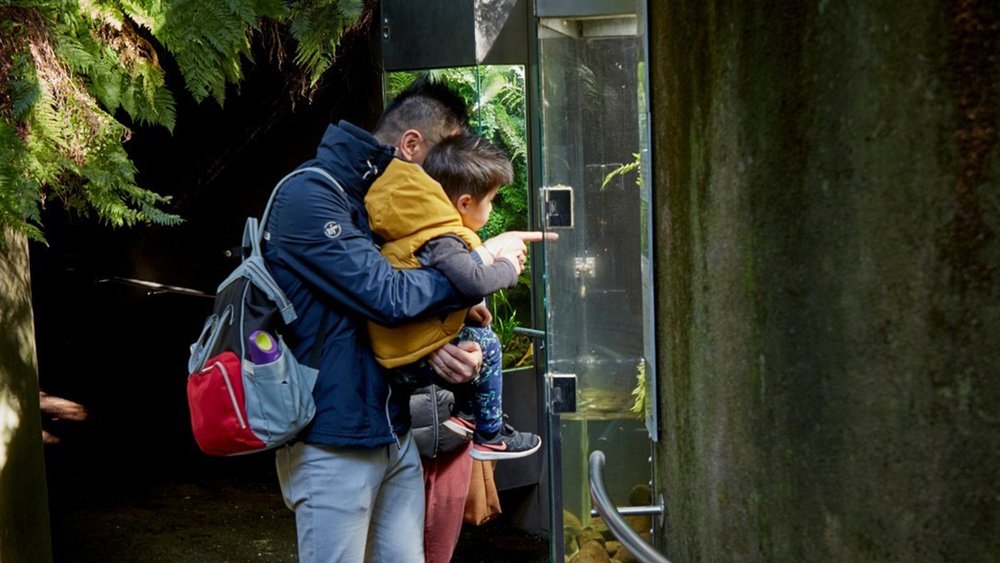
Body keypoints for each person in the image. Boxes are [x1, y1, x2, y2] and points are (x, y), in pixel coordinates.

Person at [263, 77, 546, 562]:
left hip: (392, 433)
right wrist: (478, 266)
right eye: (439, 159)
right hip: (332, 441)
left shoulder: (382, 203)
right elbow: (387, 296)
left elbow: (376, 319)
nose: (443, 180)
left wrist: (444, 345)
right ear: (411, 145)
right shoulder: (311, 196)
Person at [364, 133, 542, 461]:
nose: (491, 208)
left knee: (477, 333)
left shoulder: (420, 230)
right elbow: (472, 283)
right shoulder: (443, 238)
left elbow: (441, 293)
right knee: (487, 345)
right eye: (491, 200)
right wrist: (506, 265)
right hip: (403, 359)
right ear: (464, 203)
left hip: (397, 350)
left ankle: (468, 413)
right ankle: (490, 435)